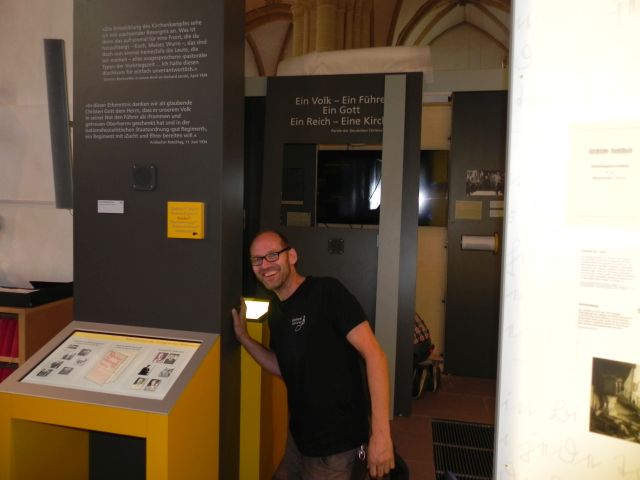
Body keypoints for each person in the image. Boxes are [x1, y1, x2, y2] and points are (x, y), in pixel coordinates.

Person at [232, 230, 395, 479]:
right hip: (299, 440)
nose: (264, 265)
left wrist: (381, 435)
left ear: (292, 256)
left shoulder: (327, 292)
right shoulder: (276, 312)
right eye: (257, 260)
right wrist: (244, 339)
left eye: (272, 255)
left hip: (337, 448)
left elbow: (375, 355)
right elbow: (283, 366)